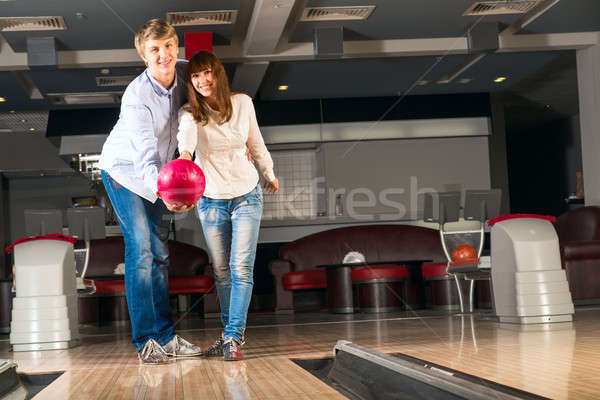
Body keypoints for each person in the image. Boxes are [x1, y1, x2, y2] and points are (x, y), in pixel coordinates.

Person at [98, 18, 201, 364]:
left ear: (177, 47)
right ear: (144, 55)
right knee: (142, 249)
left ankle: (166, 337)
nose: (163, 55)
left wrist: (240, 142)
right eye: (154, 50)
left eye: (168, 46)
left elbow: (214, 107)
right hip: (126, 173)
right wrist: (168, 194)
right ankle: (146, 341)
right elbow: (144, 154)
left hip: (161, 173)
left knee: (160, 254)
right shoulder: (136, 96)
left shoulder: (187, 73)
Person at [177, 50, 279, 361]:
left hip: (247, 193)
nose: (202, 80)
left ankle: (233, 337)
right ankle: (228, 337)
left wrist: (269, 173)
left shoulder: (243, 102)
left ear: (217, 73)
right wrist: (183, 162)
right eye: (195, 76)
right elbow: (187, 145)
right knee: (222, 272)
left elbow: (256, 142)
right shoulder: (190, 113)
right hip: (210, 199)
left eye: (206, 73)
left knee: (241, 268)